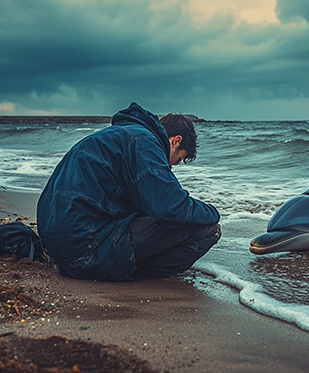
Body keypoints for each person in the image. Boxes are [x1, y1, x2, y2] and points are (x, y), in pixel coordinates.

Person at [37, 102, 221, 281]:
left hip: (57, 248)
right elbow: (171, 208)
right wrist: (213, 212)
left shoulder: (115, 136)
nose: (171, 167)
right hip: (85, 253)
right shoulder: (146, 143)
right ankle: (138, 274)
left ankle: (126, 265)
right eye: (177, 159)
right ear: (175, 141)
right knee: (207, 229)